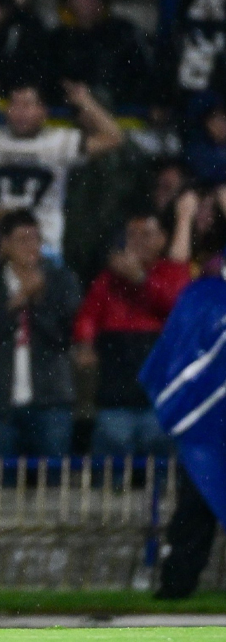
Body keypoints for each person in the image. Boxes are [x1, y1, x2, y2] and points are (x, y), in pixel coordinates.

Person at [0, 77, 124, 259]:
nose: (19, 112)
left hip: (43, 248)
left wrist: (85, 101)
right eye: (14, 104)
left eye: (27, 105)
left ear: (43, 111)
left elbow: (114, 137)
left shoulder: (60, 141)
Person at [139, 248, 226, 598]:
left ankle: (177, 582)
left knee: (196, 504)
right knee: (196, 502)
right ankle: (176, 584)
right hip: (208, 426)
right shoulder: (204, 296)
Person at [0, 210, 82, 456]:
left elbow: (63, 335)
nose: (31, 246)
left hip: (51, 400)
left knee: (52, 477)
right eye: (22, 239)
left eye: (35, 238)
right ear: (5, 244)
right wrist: (17, 301)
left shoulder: (61, 281)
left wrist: (38, 301)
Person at [73, 213, 190, 456]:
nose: (137, 241)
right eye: (132, 235)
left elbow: (176, 306)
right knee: (112, 464)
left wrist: (140, 279)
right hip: (116, 397)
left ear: (162, 239)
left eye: (146, 235)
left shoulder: (173, 272)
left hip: (158, 400)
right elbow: (88, 315)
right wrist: (85, 343)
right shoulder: (108, 279)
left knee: (159, 466)